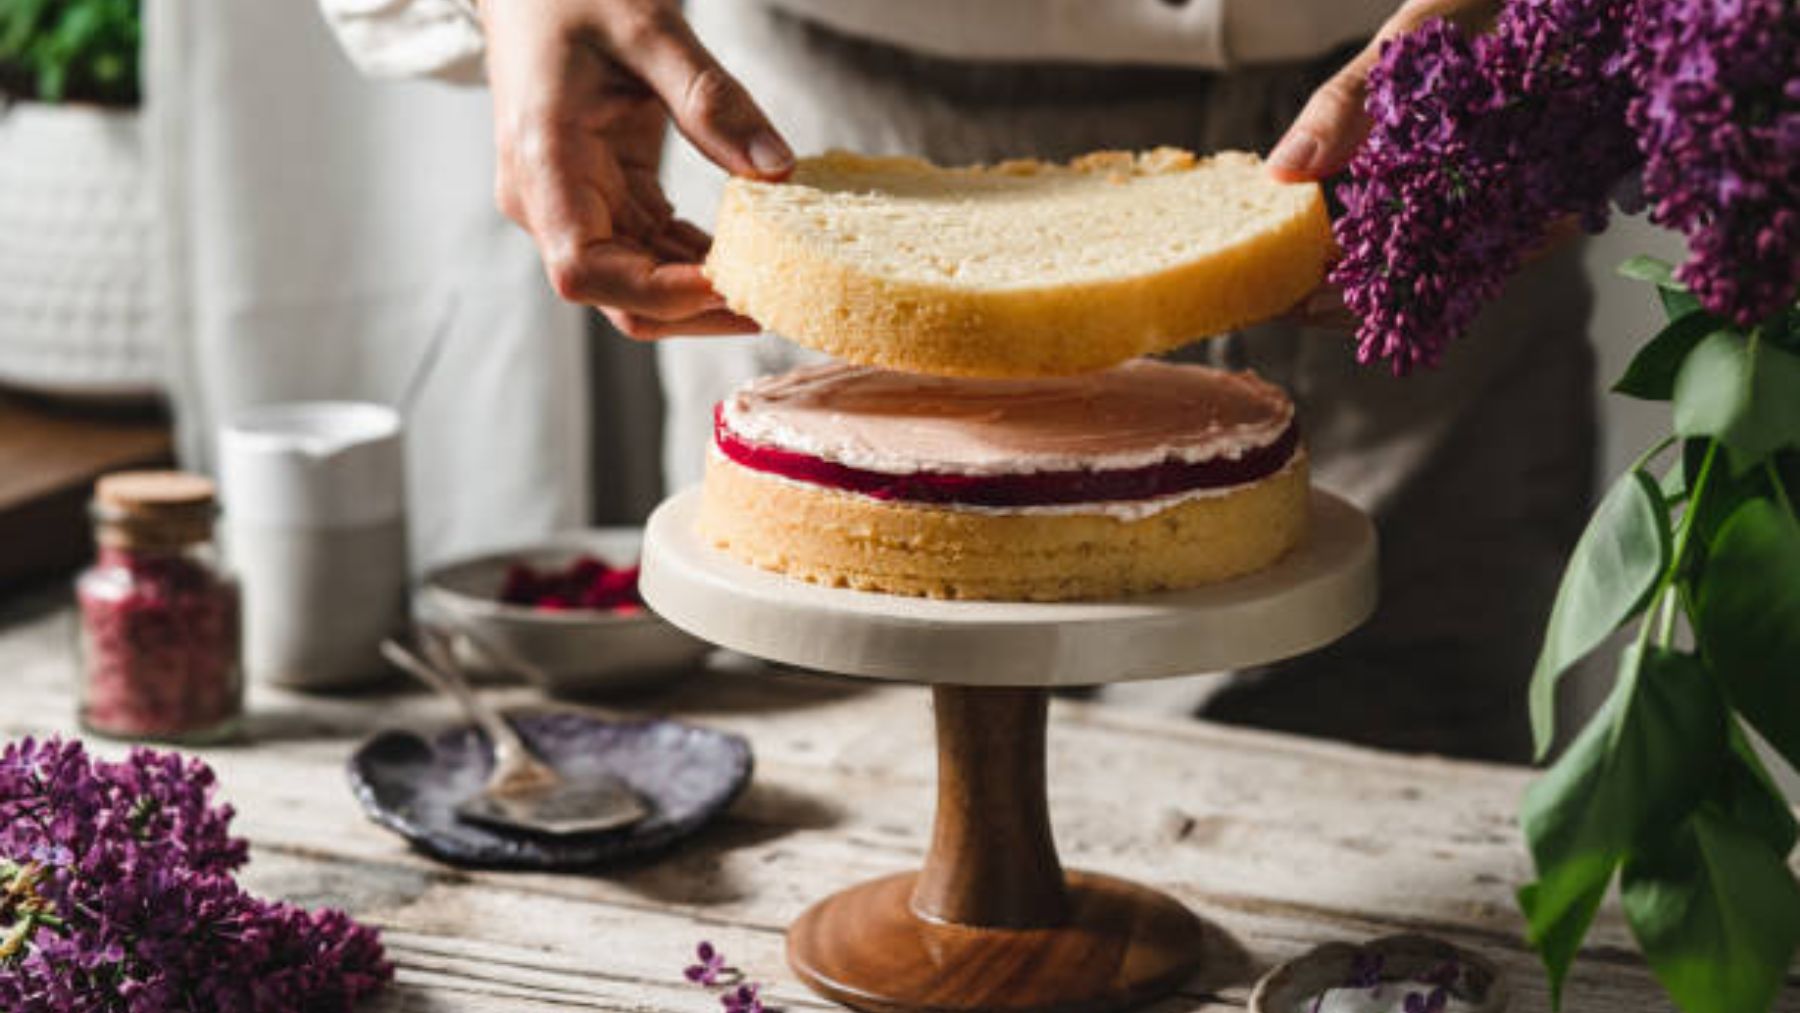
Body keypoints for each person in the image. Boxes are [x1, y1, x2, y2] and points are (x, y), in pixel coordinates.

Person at [320, 0, 1596, 763]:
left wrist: (1577, 29)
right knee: (841, 773)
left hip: (1418, 131)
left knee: (1393, 842)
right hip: (825, 150)